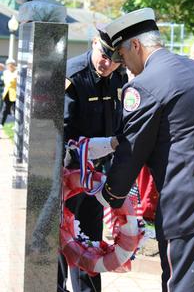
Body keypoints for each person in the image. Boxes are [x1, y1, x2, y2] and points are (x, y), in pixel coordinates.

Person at [89, 7, 194, 292]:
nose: (123, 64)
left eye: (123, 55)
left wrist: (110, 196)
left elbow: (132, 151)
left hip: (190, 203)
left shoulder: (143, 86)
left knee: (181, 286)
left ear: (135, 45)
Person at [58, 30, 127, 292]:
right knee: (64, 237)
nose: (106, 63)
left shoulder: (118, 77)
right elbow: (61, 131)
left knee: (90, 239)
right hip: (69, 173)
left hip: (96, 174)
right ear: (94, 44)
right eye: (103, 55)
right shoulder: (73, 76)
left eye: (114, 60)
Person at [0, 58, 17, 130]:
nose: (10, 66)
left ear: (14, 65)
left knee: (16, 110)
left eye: (11, 65)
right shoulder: (5, 72)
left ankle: (16, 125)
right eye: (8, 65)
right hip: (7, 93)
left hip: (15, 94)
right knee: (4, 109)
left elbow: (11, 81)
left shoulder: (17, 72)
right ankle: (1, 124)